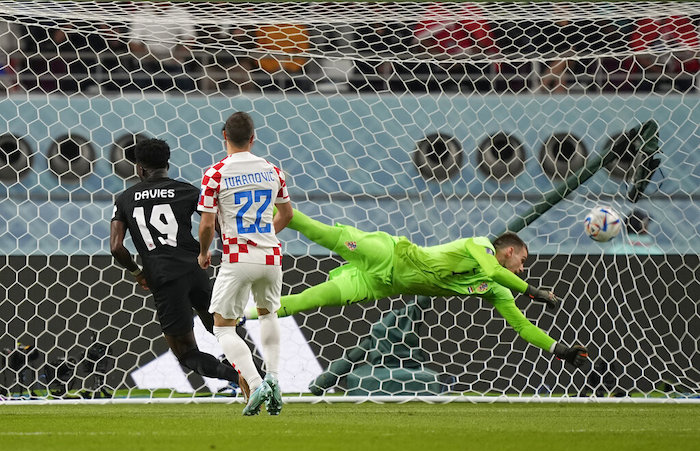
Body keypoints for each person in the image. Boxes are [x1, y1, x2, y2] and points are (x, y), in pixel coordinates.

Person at [245, 208, 589, 369]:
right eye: (522, 261)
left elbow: (522, 326)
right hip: (392, 254)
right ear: (509, 251)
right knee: (318, 232)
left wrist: (557, 349)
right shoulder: (480, 246)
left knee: (305, 301)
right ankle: (272, 202)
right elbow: (491, 269)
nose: (522, 268)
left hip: (379, 285)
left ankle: (230, 316)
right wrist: (532, 290)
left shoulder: (495, 289)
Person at [110, 138, 249, 398]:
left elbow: (116, 247)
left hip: (163, 279)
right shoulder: (187, 190)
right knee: (224, 330)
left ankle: (235, 377)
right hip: (195, 272)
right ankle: (257, 378)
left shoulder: (125, 199)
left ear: (139, 168)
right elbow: (217, 225)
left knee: (186, 352)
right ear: (167, 164)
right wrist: (215, 254)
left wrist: (138, 273)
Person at [197, 111, 293, 415]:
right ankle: (275, 379)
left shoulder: (215, 173)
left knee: (223, 328)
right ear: (253, 138)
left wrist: (203, 252)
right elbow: (287, 214)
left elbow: (207, 225)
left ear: (224, 136)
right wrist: (264, 236)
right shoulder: (273, 171)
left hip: (238, 258)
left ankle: (255, 381)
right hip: (271, 257)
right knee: (268, 315)